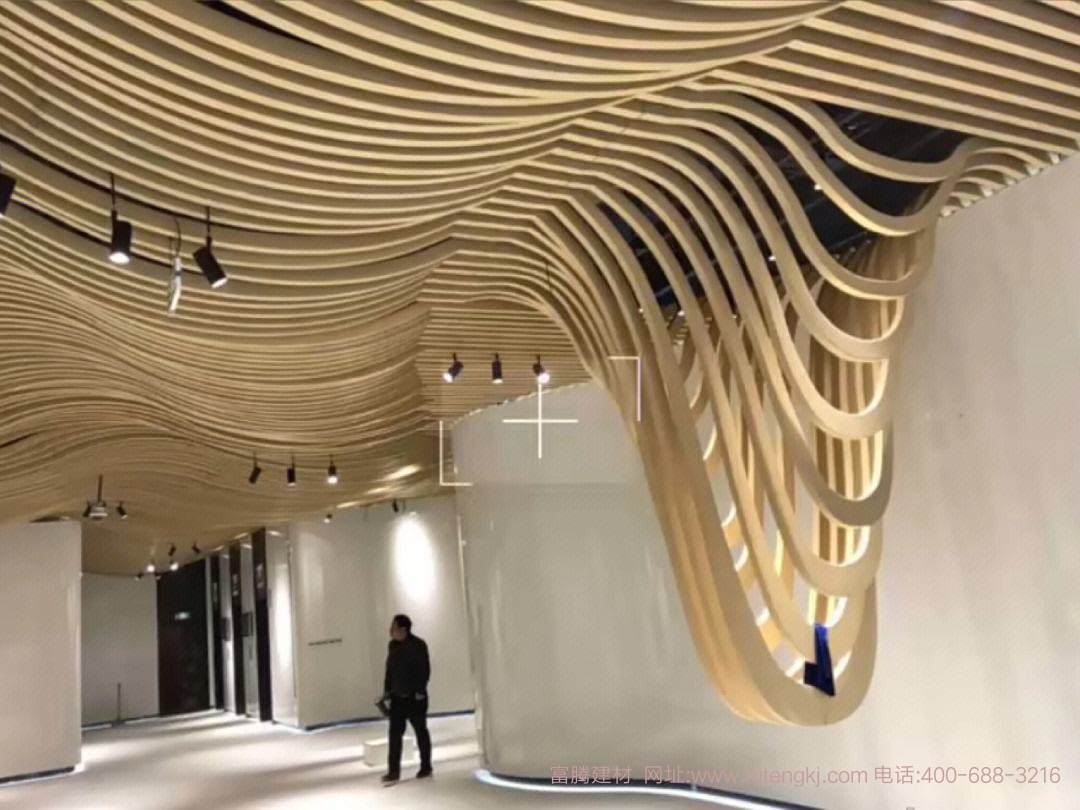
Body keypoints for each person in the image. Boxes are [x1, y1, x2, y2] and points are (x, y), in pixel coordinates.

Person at [381, 614, 432, 783]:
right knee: (394, 735)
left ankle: (426, 766)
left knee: (420, 731)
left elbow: (424, 670)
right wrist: (387, 691)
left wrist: (419, 690)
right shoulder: (392, 646)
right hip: (397, 698)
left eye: (394, 627)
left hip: (414, 698)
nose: (391, 631)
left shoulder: (418, 645)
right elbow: (389, 671)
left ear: (403, 629)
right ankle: (393, 771)